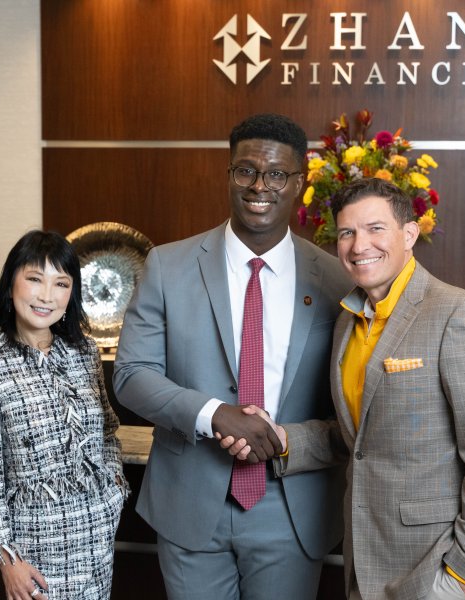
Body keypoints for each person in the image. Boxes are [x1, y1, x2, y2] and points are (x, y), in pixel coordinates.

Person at [230, 177, 465, 599]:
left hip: (439, 571)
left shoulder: (459, 314)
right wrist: (283, 439)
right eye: (347, 232)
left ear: (409, 234)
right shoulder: (349, 319)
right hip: (367, 563)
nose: (358, 244)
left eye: (375, 229)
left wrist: (462, 576)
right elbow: (360, 436)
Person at [112, 113, 351, 599]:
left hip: (291, 505)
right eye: (245, 171)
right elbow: (131, 375)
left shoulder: (336, 279)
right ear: (229, 174)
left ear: (299, 185)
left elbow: (350, 405)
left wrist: (284, 439)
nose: (259, 185)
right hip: (190, 497)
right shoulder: (168, 265)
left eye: (277, 174)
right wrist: (214, 415)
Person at [0, 230, 129, 600]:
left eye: (61, 283)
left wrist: (114, 487)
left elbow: (107, 430)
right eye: (34, 279)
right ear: (11, 285)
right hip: (35, 547)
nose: (46, 295)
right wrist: (8, 559)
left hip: (96, 534)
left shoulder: (83, 351)